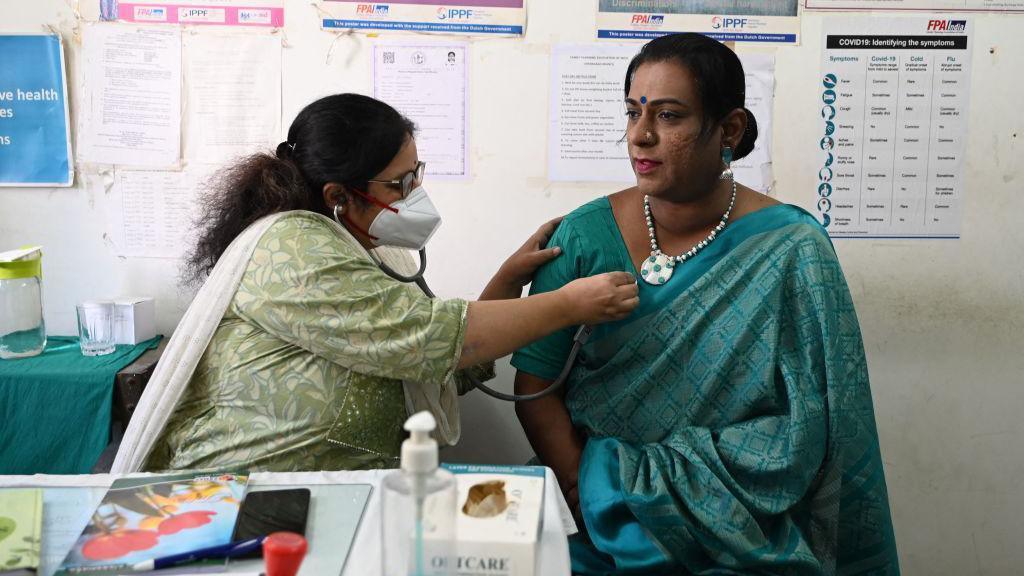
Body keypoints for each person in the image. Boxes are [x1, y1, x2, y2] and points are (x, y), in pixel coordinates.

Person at [512, 33, 899, 574]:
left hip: (741, 524)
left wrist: (689, 492)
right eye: (632, 113)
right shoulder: (582, 237)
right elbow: (535, 384)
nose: (640, 137)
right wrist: (589, 489)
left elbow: (823, 416)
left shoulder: (791, 248)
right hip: (598, 518)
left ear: (730, 129)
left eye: (668, 116)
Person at [111, 94, 638, 474]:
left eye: (417, 174)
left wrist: (506, 280)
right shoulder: (292, 245)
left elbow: (436, 366)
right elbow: (427, 339)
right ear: (339, 195)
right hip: (241, 496)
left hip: (328, 496)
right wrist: (569, 304)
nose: (415, 193)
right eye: (399, 183)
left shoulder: (363, 252)